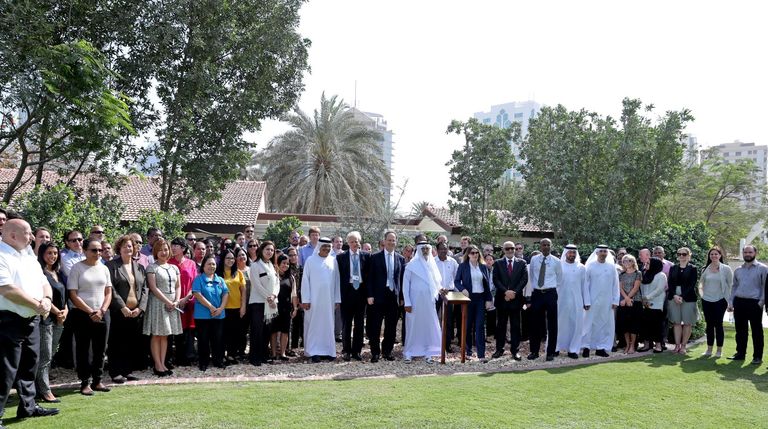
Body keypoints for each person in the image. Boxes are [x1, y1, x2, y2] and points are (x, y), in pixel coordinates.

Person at [0, 219, 59, 424]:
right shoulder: (1, 255)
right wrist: (37, 304)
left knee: (29, 366)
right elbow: (6, 289)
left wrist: (47, 300)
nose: (32, 237)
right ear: (13, 235)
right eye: (28, 233)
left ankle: (28, 407)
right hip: (8, 321)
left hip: (31, 320)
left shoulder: (28, 256)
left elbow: (44, 282)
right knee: (5, 370)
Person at [67, 238, 113, 395]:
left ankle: (98, 380)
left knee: (101, 349)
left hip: (102, 314)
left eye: (100, 250)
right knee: (83, 349)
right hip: (81, 315)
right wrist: (90, 311)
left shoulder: (104, 268)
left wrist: (102, 310)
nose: (98, 253)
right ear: (85, 251)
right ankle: (84, 382)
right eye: (94, 250)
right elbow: (73, 294)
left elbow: (108, 292)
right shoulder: (77, 268)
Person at [105, 235, 147, 383]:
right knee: (117, 343)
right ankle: (115, 372)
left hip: (136, 312)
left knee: (131, 343)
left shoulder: (140, 268)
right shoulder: (111, 266)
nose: (128, 248)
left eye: (130, 246)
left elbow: (144, 290)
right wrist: (122, 306)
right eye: (124, 246)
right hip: (118, 311)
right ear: (119, 249)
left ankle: (127, 371)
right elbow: (111, 288)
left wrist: (140, 308)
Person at [142, 239, 182, 377]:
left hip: (172, 304)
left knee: (165, 335)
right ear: (155, 252)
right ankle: (157, 364)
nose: (163, 252)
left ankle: (163, 363)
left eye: (166, 249)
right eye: (160, 250)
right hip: (158, 303)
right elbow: (153, 288)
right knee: (157, 334)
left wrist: (176, 301)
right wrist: (167, 301)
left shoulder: (174, 268)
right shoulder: (152, 267)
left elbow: (178, 286)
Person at [366, 231, 405, 362]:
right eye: (389, 240)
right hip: (377, 297)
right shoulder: (375, 257)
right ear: (384, 241)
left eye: (394, 240)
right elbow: (369, 278)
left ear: (396, 242)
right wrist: (370, 295)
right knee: (375, 326)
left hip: (393, 297)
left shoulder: (400, 258)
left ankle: (387, 352)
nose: (391, 242)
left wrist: (401, 297)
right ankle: (375, 353)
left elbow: (401, 279)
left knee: (391, 327)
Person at [35, 242, 67, 403]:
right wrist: (57, 311)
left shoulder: (59, 273)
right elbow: (42, 295)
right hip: (46, 319)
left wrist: (65, 311)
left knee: (51, 354)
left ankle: (40, 388)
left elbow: (65, 296)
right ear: (42, 254)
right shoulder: (39, 273)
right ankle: (45, 391)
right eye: (49, 253)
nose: (53, 256)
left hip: (60, 320)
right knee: (45, 356)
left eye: (55, 253)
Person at [301, 238, 341, 363]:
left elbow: (337, 281)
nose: (327, 249)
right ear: (319, 247)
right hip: (313, 301)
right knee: (314, 325)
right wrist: (306, 299)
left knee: (328, 325)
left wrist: (337, 299)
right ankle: (314, 351)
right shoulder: (310, 261)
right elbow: (305, 282)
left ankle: (328, 351)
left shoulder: (333, 261)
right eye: (324, 247)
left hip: (329, 301)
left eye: (329, 247)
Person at [402, 241, 442, 363]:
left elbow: (436, 283)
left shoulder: (432, 265)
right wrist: (407, 302)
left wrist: (441, 289)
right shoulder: (411, 265)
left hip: (429, 302)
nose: (425, 252)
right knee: (413, 326)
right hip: (414, 302)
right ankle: (409, 352)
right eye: (423, 249)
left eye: (427, 249)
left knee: (427, 327)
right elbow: (405, 285)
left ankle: (428, 352)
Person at [727, 244, 767, 364]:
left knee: (757, 331)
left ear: (755, 253)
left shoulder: (763, 268)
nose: (747, 254)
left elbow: (766, 287)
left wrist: (761, 302)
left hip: (755, 303)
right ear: (742, 254)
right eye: (745, 252)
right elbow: (734, 287)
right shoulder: (738, 270)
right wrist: (731, 302)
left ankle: (757, 356)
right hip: (739, 302)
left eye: (750, 252)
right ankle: (740, 354)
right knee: (740, 330)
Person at [454, 245, 493, 362]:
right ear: (468, 254)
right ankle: (468, 352)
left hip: (480, 299)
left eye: (476, 252)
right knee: (467, 326)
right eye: (472, 253)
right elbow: (456, 281)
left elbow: (487, 285)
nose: (475, 254)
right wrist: (462, 289)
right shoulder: (463, 266)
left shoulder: (483, 266)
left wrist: (488, 299)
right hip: (468, 299)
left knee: (480, 326)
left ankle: (481, 355)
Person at [581, 245, 619, 358]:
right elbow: (585, 286)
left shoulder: (611, 267)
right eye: (601, 251)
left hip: (607, 301)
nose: (603, 253)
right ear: (597, 253)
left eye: (605, 251)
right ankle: (586, 347)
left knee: (604, 324)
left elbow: (615, 285)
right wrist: (586, 301)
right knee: (588, 324)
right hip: (592, 301)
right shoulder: (590, 266)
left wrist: (615, 300)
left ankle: (600, 347)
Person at [492, 241, 528, 360]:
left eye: (512, 248)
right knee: (501, 326)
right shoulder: (497, 263)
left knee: (516, 327)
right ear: (503, 250)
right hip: (502, 299)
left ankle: (515, 351)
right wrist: (506, 292)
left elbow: (524, 280)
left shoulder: (522, 263)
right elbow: (496, 280)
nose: (510, 251)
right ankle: (499, 349)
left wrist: (514, 293)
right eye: (507, 249)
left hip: (516, 300)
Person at [528, 239, 563, 361]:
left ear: (551, 246)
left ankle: (550, 352)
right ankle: (534, 351)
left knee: (552, 324)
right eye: (544, 245)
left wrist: (553, 292)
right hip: (537, 294)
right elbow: (532, 276)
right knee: (535, 324)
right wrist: (535, 289)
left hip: (550, 294)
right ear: (540, 246)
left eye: (548, 245)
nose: (546, 247)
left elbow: (560, 279)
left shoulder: (557, 261)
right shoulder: (534, 259)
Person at [192, 255, 229, 371]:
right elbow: (197, 294)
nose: (211, 266)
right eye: (209, 264)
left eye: (213, 264)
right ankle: (203, 362)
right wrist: (211, 307)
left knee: (218, 339)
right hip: (203, 316)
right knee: (203, 340)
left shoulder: (220, 280)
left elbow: (225, 294)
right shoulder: (198, 279)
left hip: (219, 315)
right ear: (203, 266)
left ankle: (218, 361)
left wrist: (221, 308)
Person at [336, 231, 369, 361]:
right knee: (346, 324)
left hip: (361, 292)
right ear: (348, 243)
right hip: (347, 292)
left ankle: (357, 351)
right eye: (352, 241)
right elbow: (337, 279)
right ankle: (346, 351)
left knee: (360, 324)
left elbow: (369, 277)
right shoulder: (340, 258)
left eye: (357, 241)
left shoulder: (367, 256)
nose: (355, 244)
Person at [248, 241, 279, 366]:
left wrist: (274, 296)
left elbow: (277, 284)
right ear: (261, 250)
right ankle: (255, 357)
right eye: (267, 249)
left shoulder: (272, 265)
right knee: (257, 331)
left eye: (272, 250)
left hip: (270, 304)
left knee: (267, 331)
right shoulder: (255, 266)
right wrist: (268, 297)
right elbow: (256, 284)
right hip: (258, 303)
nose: (269, 252)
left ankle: (263, 355)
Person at [698, 246, 733, 358]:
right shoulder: (705, 269)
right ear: (709, 256)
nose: (713, 256)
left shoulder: (726, 269)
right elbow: (701, 285)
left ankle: (719, 350)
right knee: (709, 325)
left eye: (716, 254)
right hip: (707, 300)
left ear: (720, 255)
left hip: (720, 300)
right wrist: (702, 296)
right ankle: (709, 349)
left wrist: (730, 302)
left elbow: (731, 286)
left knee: (718, 325)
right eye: (711, 254)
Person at [169, 237, 197, 366]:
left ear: (183, 248)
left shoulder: (191, 263)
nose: (173, 248)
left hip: (189, 301)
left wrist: (186, 298)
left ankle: (189, 357)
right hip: (173, 302)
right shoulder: (169, 262)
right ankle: (176, 358)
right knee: (175, 330)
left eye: (176, 246)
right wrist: (177, 300)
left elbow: (194, 283)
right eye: (172, 245)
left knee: (189, 330)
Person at [556, 245, 587, 359]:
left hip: (577, 301)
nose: (572, 255)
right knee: (559, 324)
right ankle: (556, 348)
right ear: (565, 253)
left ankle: (573, 350)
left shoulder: (581, 268)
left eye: (574, 253)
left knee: (576, 326)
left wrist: (586, 302)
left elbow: (585, 286)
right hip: (560, 301)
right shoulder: (559, 266)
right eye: (570, 253)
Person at [667, 247, 699, 354]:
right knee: (676, 322)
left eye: (684, 254)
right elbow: (670, 283)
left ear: (689, 256)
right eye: (679, 254)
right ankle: (677, 346)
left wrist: (682, 296)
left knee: (687, 323)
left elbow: (692, 284)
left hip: (688, 297)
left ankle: (684, 346)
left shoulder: (693, 268)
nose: (681, 256)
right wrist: (675, 295)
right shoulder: (673, 268)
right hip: (674, 296)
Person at [219, 248, 246, 364]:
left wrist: (243, 306)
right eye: (228, 258)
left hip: (236, 307)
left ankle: (231, 355)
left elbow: (243, 291)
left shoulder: (239, 273)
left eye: (232, 258)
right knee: (222, 333)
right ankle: (221, 355)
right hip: (222, 308)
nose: (230, 260)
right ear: (223, 259)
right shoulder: (217, 274)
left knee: (235, 333)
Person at [434, 242, 459, 351]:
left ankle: (447, 345)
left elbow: (457, 278)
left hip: (449, 293)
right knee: (434, 319)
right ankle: (434, 344)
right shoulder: (433, 262)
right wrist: (439, 288)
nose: (443, 251)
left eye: (445, 249)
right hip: (436, 293)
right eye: (441, 249)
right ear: (437, 250)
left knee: (448, 321)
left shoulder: (453, 262)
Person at [640, 257, 667, 353]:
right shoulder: (645, 274)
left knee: (657, 325)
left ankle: (658, 345)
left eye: (648, 263)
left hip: (657, 303)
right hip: (645, 304)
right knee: (646, 325)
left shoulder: (661, 275)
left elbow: (659, 289)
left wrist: (647, 297)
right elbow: (642, 287)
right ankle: (646, 345)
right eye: (645, 263)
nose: (645, 265)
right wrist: (644, 299)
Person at [617, 254, 642, 354]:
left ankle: (632, 346)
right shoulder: (621, 274)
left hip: (635, 302)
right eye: (624, 261)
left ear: (633, 262)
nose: (626, 263)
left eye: (628, 261)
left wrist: (628, 299)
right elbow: (620, 288)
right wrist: (626, 299)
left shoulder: (638, 273)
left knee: (633, 325)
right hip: (624, 302)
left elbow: (636, 288)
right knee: (624, 325)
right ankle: (627, 345)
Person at [272, 254, 295, 361]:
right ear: (278, 264)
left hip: (286, 307)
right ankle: (273, 353)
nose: (285, 265)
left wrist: (295, 308)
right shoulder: (273, 276)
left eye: (287, 263)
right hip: (274, 307)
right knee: (274, 330)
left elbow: (294, 294)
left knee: (285, 331)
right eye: (283, 263)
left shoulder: (291, 278)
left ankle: (283, 353)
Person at [287, 247, 304, 356]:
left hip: (299, 298)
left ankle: (294, 347)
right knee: (288, 324)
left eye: (295, 255)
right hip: (288, 298)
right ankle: (285, 347)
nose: (293, 257)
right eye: (291, 255)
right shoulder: (285, 268)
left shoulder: (302, 269)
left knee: (298, 323)